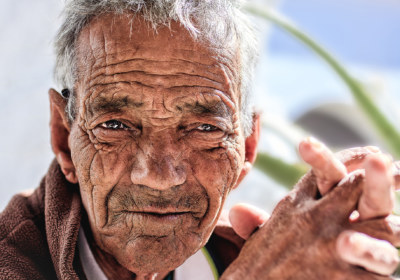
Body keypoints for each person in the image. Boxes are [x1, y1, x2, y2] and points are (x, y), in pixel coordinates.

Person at [1, 1, 399, 279]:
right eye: (116, 125)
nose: (159, 175)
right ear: (63, 136)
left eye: (205, 129)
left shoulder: (243, 253)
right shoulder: (12, 258)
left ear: (246, 148)